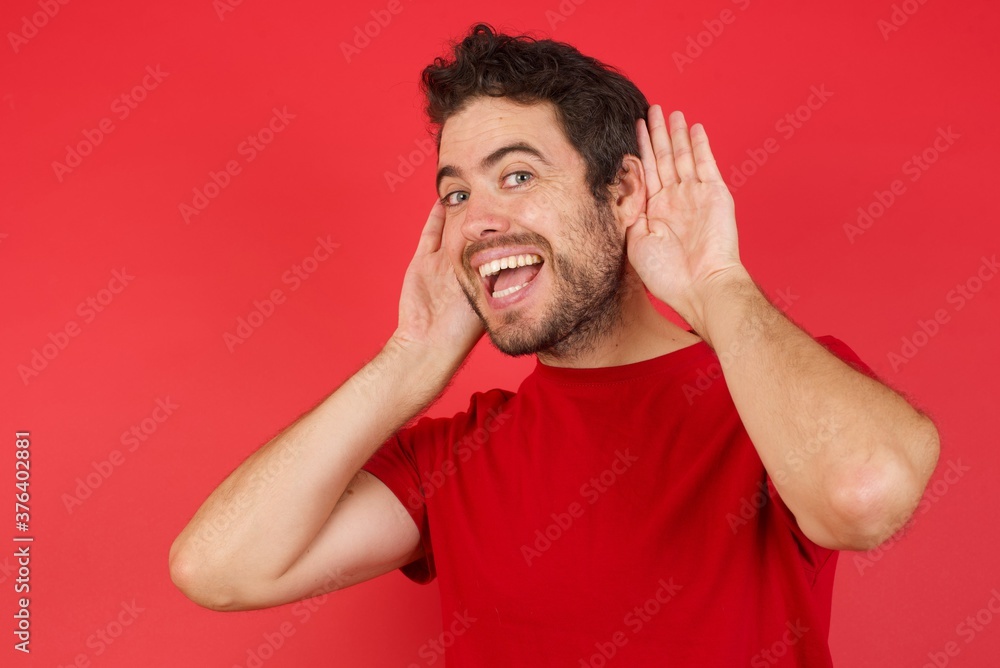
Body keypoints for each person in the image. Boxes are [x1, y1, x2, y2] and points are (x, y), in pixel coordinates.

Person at [169, 23, 941, 666]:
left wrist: (715, 282)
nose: (474, 222)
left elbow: (862, 497)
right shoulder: (451, 459)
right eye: (456, 193)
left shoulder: (773, 395)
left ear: (623, 193)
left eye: (516, 176)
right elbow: (218, 568)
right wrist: (409, 358)